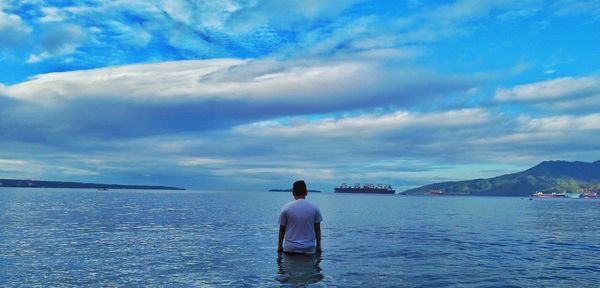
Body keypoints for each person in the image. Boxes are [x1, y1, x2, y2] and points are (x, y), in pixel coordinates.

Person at [278, 180, 323, 254]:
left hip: (290, 248)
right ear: (306, 192)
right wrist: (318, 246)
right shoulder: (315, 208)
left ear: (293, 192)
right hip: (308, 248)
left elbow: (282, 230)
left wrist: (279, 246)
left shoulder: (286, 207)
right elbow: (317, 229)